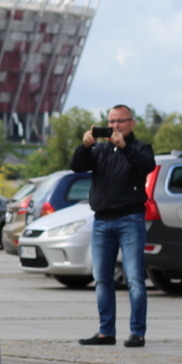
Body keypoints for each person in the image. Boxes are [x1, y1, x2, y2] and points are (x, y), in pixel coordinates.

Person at [71, 104, 155, 347]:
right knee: (102, 278)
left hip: (130, 220)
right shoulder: (101, 149)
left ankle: (137, 332)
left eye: (121, 121)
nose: (115, 126)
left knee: (134, 278)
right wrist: (84, 146)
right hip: (101, 221)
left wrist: (124, 146)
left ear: (132, 123)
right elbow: (76, 166)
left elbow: (147, 165)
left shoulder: (139, 148)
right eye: (112, 121)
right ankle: (105, 331)